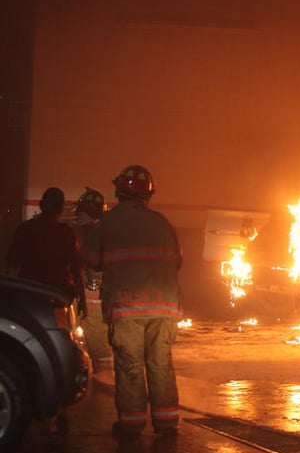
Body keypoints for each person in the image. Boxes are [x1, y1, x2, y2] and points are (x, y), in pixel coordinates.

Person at [81, 165, 183, 439]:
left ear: (119, 192)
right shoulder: (162, 223)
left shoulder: (108, 223)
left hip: (126, 307)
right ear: (147, 196)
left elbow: (90, 259)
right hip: (164, 308)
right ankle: (167, 423)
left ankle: (132, 424)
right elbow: (178, 262)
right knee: (160, 363)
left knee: (129, 365)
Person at [6, 187, 87, 318]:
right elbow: (76, 270)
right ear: (60, 208)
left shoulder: (24, 230)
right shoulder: (65, 234)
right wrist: (82, 300)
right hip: (57, 297)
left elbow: (11, 266)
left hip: (28, 295)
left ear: (41, 205)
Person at [73, 187, 112, 371]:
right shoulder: (108, 232)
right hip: (100, 296)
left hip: (79, 295)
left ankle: (98, 390)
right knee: (100, 350)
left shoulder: (75, 233)